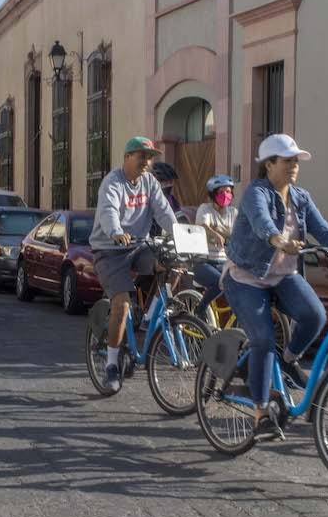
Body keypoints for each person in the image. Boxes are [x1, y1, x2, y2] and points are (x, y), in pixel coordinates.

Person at [221, 134, 328, 440]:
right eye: (287, 160)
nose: (294, 166)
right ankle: (261, 411)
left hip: (282, 276)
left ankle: (289, 360)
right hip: (246, 277)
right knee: (263, 338)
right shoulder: (256, 192)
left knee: (315, 316)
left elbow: (323, 231)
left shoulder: (301, 197)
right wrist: (280, 240)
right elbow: (262, 223)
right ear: (269, 164)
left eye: (296, 161)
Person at [89, 137, 178, 392]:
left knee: (171, 263)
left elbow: (163, 211)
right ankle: (112, 366)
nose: (146, 162)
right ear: (127, 157)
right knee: (122, 304)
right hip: (110, 249)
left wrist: (179, 233)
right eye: (142, 156)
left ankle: (150, 314)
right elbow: (108, 210)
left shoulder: (149, 182)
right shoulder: (112, 181)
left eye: (150, 157)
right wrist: (115, 231)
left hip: (139, 246)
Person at [191, 175, 237, 319]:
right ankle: (200, 309)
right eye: (221, 192)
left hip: (223, 262)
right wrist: (215, 234)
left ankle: (234, 326)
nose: (225, 195)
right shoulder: (205, 209)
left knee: (241, 286)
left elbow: (241, 234)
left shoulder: (233, 213)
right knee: (220, 282)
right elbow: (202, 226)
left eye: (228, 192)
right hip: (202, 261)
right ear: (213, 194)